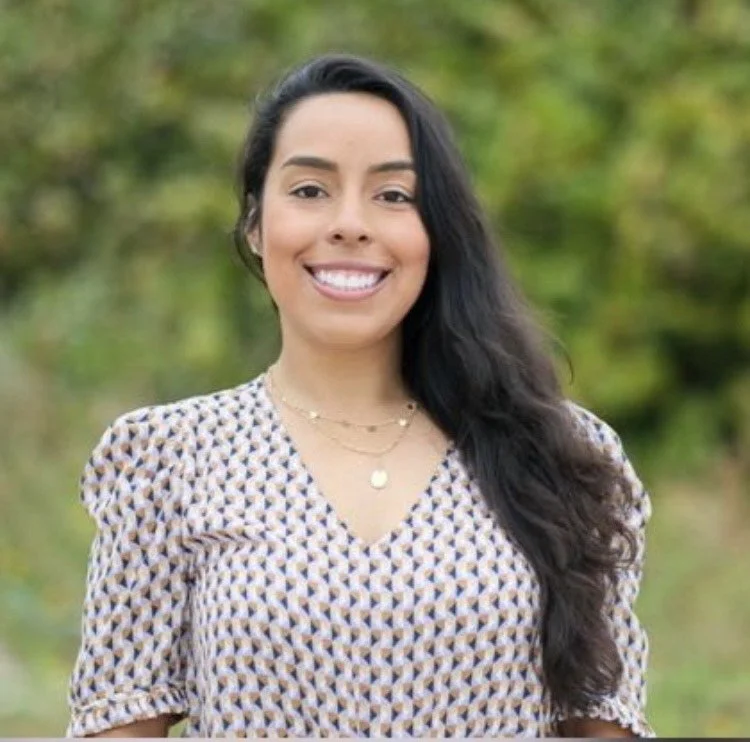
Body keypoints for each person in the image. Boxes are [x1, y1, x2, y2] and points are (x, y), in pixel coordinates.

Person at [66, 53, 653, 738]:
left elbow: (603, 722)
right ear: (256, 225)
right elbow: (118, 725)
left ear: (437, 232)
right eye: (310, 190)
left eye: (394, 195)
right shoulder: (168, 457)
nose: (350, 223)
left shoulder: (564, 455)